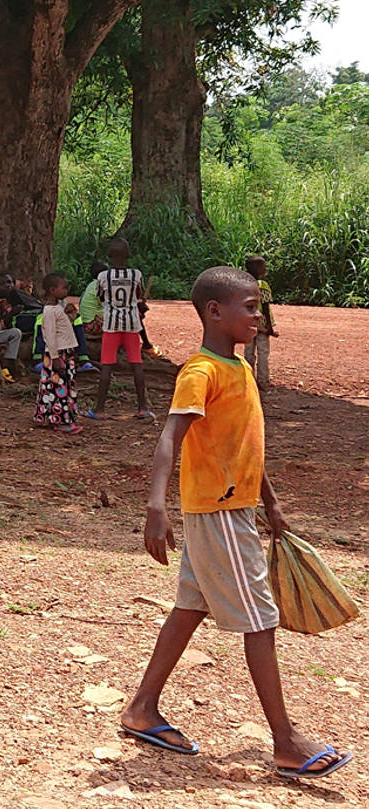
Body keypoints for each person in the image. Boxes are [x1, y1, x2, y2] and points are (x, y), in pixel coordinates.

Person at [122, 265, 353, 781]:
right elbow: (170, 437)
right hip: (219, 514)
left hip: (234, 510)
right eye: (249, 307)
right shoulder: (200, 372)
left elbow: (246, 446)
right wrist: (155, 507)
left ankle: (141, 709)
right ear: (214, 312)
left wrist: (269, 503)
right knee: (260, 619)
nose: (257, 316)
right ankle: (287, 742)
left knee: (189, 609)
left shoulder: (240, 369)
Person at [87, 238, 152, 420]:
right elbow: (138, 295)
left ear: (110, 256)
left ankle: (99, 409)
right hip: (132, 324)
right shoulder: (136, 274)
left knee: (107, 366)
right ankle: (142, 408)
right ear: (127, 256)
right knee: (136, 365)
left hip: (111, 325)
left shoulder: (103, 277)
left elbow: (101, 297)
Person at [34, 272, 82, 436]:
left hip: (64, 352)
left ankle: (55, 417)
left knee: (61, 386)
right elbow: (50, 336)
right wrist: (55, 358)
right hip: (57, 354)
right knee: (58, 388)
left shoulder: (58, 307)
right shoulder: (49, 311)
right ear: (52, 290)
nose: (67, 290)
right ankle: (60, 421)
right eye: (64, 287)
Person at [242, 255, 277, 391]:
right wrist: (269, 327)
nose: (265, 269)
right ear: (258, 269)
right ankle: (263, 381)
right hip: (261, 322)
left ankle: (249, 380)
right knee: (263, 353)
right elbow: (266, 307)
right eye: (264, 267)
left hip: (248, 322)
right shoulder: (262, 285)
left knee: (248, 353)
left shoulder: (243, 285)